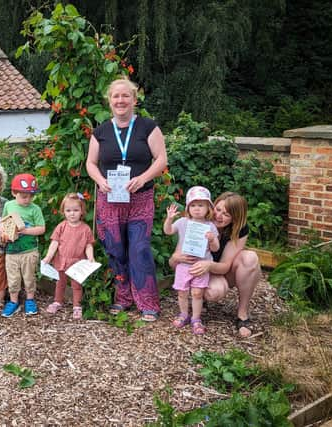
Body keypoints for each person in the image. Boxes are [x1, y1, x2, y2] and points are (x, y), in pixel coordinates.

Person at [85, 78, 167, 321]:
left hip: (139, 199)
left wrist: (143, 178)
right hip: (110, 200)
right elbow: (90, 163)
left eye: (125, 96)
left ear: (134, 99)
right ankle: (123, 298)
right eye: (115, 97)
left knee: (140, 249)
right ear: (109, 101)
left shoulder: (147, 127)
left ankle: (148, 302)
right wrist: (100, 180)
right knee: (115, 249)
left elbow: (161, 159)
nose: (120, 101)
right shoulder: (100, 131)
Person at [169, 192, 261, 337]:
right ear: (211, 207)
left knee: (250, 258)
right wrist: (176, 257)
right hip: (198, 271)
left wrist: (209, 265)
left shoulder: (239, 229)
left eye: (226, 214)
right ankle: (198, 302)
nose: (219, 216)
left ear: (235, 218)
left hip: (220, 270)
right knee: (214, 291)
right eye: (218, 210)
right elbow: (173, 263)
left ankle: (242, 314)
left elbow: (225, 266)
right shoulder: (197, 221)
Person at [164, 186, 219, 335]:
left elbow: (215, 248)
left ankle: (196, 318)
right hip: (183, 265)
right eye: (193, 205)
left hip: (200, 266)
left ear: (208, 208)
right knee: (182, 292)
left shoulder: (210, 226)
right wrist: (169, 219)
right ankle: (183, 314)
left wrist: (212, 239)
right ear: (188, 208)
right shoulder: (183, 222)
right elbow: (168, 231)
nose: (197, 209)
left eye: (201, 205)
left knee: (197, 293)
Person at [42, 193, 95, 320]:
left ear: (82, 211)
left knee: (76, 285)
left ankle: (77, 305)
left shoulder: (85, 229)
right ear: (63, 211)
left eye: (76, 210)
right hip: (62, 260)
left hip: (77, 262)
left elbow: (88, 245)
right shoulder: (61, 226)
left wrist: (91, 257)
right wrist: (48, 257)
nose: (72, 213)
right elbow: (54, 242)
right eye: (68, 210)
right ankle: (57, 301)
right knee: (60, 282)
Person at [0, 173, 46, 318]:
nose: (28, 200)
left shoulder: (35, 209)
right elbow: (4, 222)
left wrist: (25, 230)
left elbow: (41, 228)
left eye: (31, 196)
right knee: (13, 278)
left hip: (29, 250)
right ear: (14, 193)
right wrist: (4, 234)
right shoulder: (8, 205)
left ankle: (30, 300)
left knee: (29, 277)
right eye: (24, 196)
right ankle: (13, 302)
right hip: (12, 251)